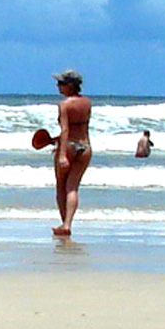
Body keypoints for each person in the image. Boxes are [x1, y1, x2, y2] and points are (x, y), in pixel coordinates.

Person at [50, 69, 92, 237]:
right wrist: (55, 139)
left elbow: (66, 129)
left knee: (62, 187)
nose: (57, 86)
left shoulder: (64, 105)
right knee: (73, 187)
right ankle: (66, 224)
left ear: (69, 85)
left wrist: (61, 154)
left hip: (68, 146)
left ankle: (65, 224)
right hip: (85, 146)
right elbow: (79, 126)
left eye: (60, 83)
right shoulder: (87, 102)